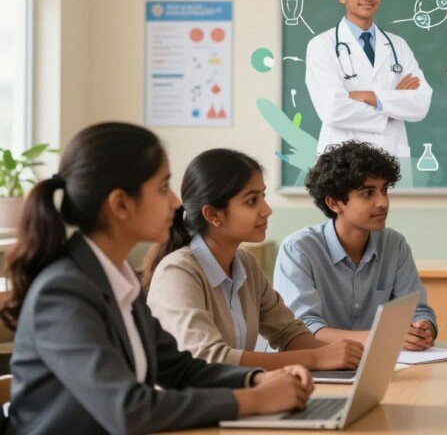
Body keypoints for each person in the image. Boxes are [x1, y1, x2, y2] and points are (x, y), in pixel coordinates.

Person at [0, 123, 313, 434]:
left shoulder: (117, 280)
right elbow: (129, 409)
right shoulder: (63, 292)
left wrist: (256, 380)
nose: (176, 203)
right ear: (121, 204)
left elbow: (180, 368)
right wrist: (252, 400)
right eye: (163, 188)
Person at [144, 149, 363, 371]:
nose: (266, 210)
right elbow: (209, 358)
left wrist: (342, 358)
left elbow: (288, 333)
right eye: (251, 201)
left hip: (234, 396)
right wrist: (316, 359)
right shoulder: (178, 271)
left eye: (263, 196)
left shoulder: (245, 262)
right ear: (212, 215)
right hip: (192, 402)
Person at [274, 140, 437, 350]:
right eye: (367, 193)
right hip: (314, 370)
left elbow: (419, 311)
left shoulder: (394, 245)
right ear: (334, 203)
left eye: (384, 190)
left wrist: (422, 329)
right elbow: (303, 330)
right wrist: (382, 337)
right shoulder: (298, 249)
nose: (383, 202)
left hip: (381, 366)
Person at [305, 0, 432, 159]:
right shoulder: (321, 45)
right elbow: (332, 109)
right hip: (341, 157)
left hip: (392, 154)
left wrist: (371, 97)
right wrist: (391, 106)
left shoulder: (397, 45)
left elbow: (420, 103)